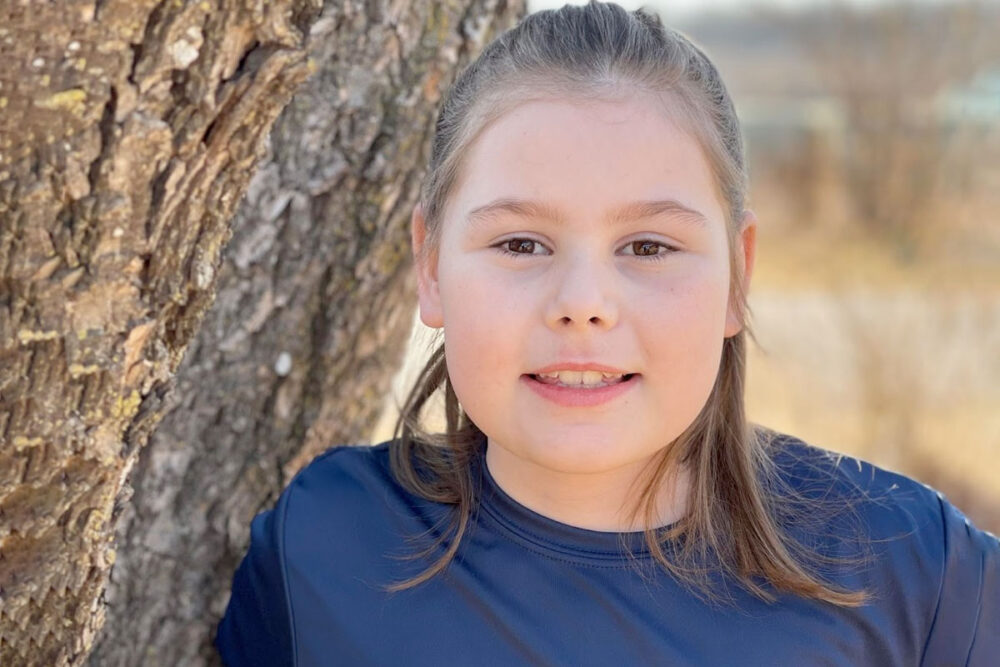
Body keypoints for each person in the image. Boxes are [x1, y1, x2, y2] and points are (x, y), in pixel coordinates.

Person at [214, 2, 998, 664]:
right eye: (520, 243)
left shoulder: (910, 568)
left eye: (648, 246)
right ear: (430, 267)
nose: (582, 304)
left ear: (737, 274)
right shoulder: (323, 546)